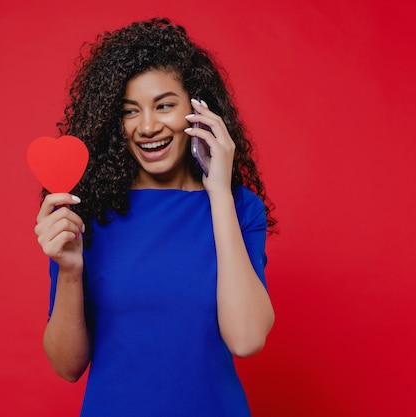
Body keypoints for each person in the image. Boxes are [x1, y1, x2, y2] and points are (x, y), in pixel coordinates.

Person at [34, 17, 276, 417]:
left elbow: (247, 339)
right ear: (116, 122)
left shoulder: (239, 207)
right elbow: (67, 366)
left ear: (197, 110)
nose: (147, 127)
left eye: (164, 105)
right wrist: (71, 271)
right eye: (131, 111)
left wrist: (217, 191)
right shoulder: (86, 211)